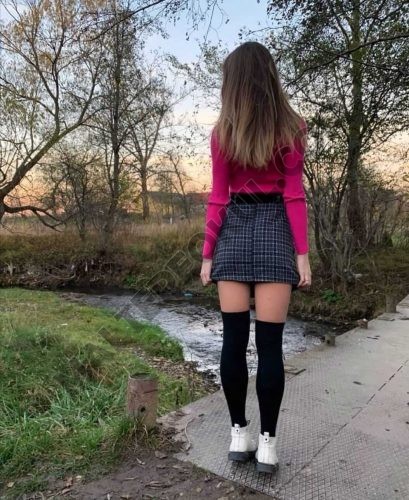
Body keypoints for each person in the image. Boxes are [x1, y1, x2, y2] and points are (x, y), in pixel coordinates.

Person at [199, 41, 312, 473]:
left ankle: (238, 435)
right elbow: (294, 195)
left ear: (234, 83)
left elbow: (218, 198)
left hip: (232, 232)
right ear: (269, 77)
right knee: (269, 347)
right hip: (276, 233)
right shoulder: (293, 129)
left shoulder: (222, 133)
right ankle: (267, 446)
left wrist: (208, 254)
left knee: (232, 341)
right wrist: (301, 254)